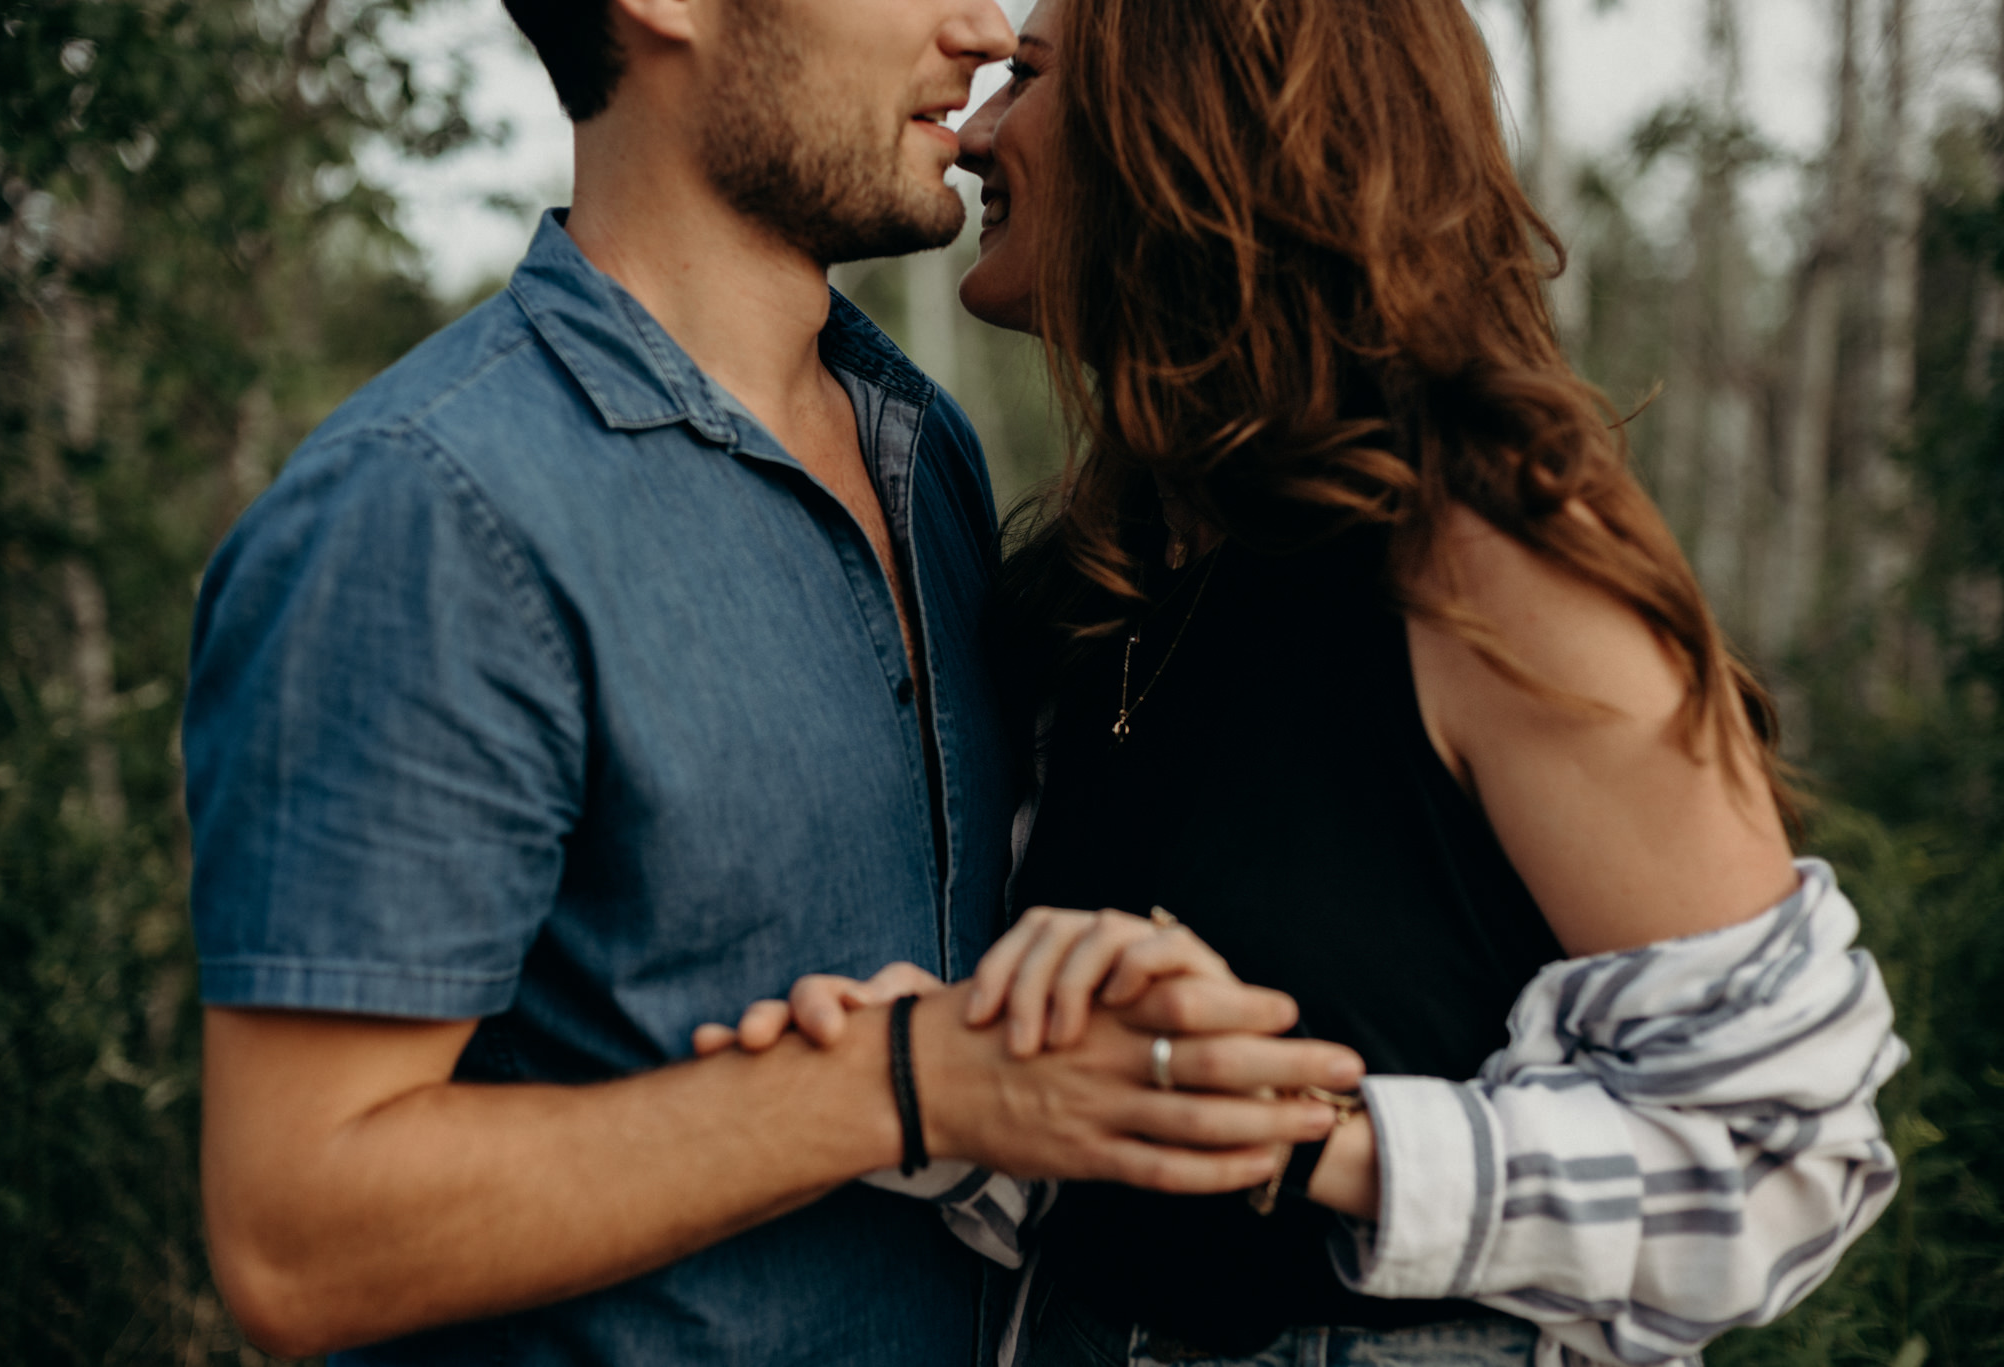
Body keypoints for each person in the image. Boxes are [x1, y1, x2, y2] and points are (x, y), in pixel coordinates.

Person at [181, 0, 1371, 1362]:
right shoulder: (431, 511)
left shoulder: (928, 457)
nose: (981, 29)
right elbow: (300, 1241)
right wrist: (913, 1084)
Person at [718, 1, 1907, 1364]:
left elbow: (1783, 1164)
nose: (977, 135)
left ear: (1189, 121)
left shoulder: (1487, 566)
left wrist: (1307, 1136)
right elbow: (1102, 1146)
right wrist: (919, 1077)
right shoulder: (1096, 589)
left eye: (1028, 83)